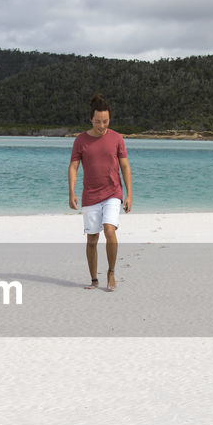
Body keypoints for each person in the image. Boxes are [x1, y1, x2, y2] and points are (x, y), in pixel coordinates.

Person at [68, 94, 132, 291]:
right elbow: (73, 167)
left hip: (113, 192)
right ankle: (94, 280)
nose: (102, 125)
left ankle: (111, 272)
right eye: (98, 121)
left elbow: (125, 166)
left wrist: (129, 194)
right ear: (91, 119)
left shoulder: (117, 138)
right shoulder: (81, 140)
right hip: (90, 196)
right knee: (92, 239)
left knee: (109, 229)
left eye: (105, 121)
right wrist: (71, 192)